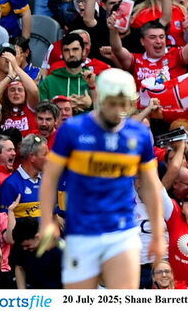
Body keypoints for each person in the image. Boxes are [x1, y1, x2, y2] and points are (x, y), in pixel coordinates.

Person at [37, 69, 163, 289]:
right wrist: (47, 220)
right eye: (112, 103)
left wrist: (158, 235)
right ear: (101, 99)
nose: (117, 110)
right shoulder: (73, 130)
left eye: (123, 103)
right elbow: (50, 178)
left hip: (123, 231)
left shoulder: (139, 134)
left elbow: (152, 186)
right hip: (81, 231)